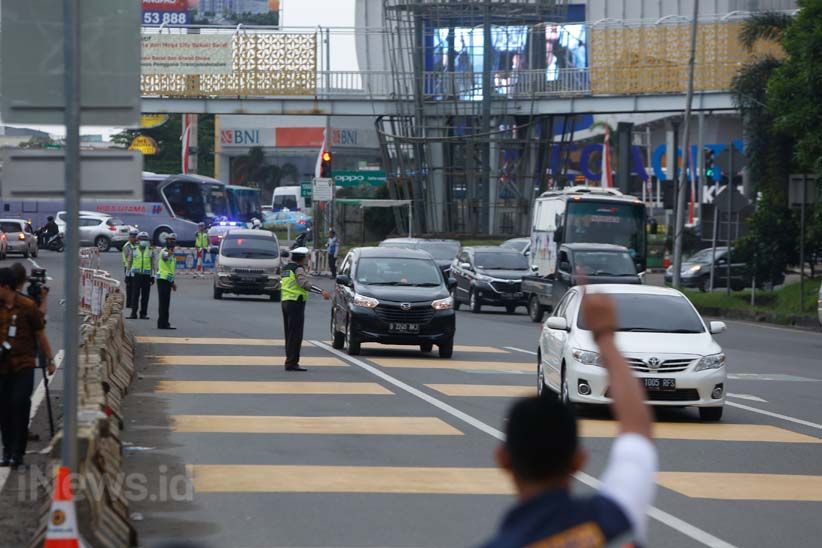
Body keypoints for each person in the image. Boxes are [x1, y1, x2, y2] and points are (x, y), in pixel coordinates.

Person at [482, 288, 657, 548]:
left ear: (502, 459)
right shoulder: (615, 518)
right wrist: (605, 337)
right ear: (579, 460)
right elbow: (637, 431)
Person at [0, 268, 56, 469]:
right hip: (2, 367)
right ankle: (7, 451)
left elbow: (40, 334)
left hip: (24, 364)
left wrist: (49, 360)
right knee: (4, 409)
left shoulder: (27, 306)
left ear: (6, 286)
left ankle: (18, 452)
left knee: (20, 404)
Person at [280, 247, 329, 371]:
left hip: (286, 302)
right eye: (306, 257)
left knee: (289, 334)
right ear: (302, 258)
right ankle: (292, 362)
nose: (307, 259)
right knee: (296, 334)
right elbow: (304, 284)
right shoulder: (298, 269)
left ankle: (289, 361)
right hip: (296, 303)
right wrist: (321, 291)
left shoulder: (286, 269)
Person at [129, 232, 155, 320]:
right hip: (136, 275)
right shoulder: (134, 250)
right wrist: (128, 275)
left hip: (146, 275)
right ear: (138, 240)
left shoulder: (150, 250)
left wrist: (153, 276)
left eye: (145, 239)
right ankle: (133, 313)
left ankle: (143, 313)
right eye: (141, 239)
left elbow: (153, 264)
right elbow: (130, 262)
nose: (143, 241)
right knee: (135, 295)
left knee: (145, 296)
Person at [156, 233, 178, 330]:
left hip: (168, 280)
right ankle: (162, 323)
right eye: (169, 240)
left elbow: (171, 270)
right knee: (163, 303)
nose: (171, 242)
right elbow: (165, 257)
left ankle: (165, 323)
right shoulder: (164, 251)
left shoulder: (173, 255)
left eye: (173, 240)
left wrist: (173, 283)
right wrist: (170, 251)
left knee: (166, 303)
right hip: (162, 280)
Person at [122, 229, 139, 308]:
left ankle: (133, 302)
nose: (134, 238)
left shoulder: (138, 245)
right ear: (129, 237)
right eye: (132, 236)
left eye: (135, 237)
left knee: (135, 286)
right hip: (128, 267)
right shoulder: (127, 246)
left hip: (136, 268)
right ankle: (129, 303)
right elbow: (126, 257)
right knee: (129, 286)